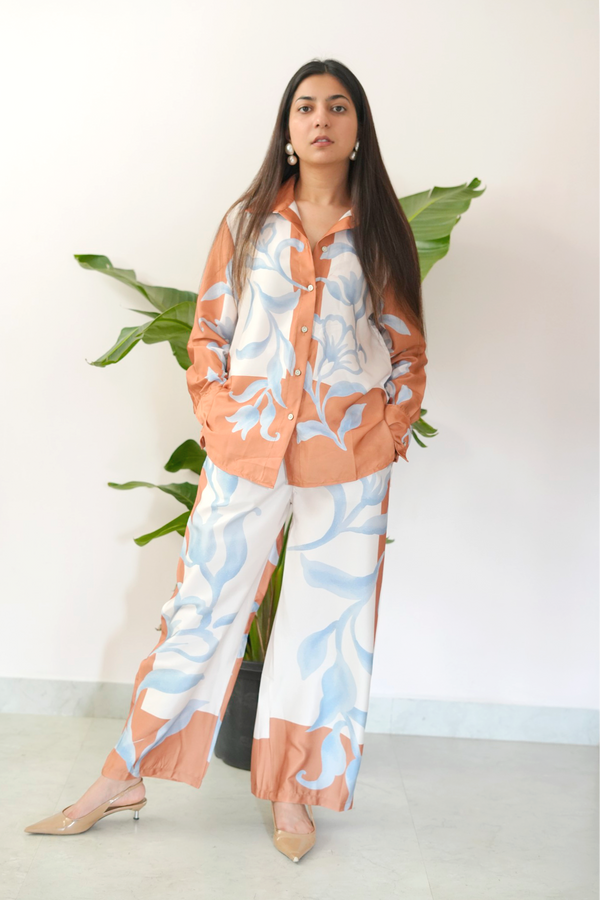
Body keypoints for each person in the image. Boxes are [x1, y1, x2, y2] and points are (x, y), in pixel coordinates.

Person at [24, 58, 428, 863]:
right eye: (306, 106)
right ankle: (124, 772)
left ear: (357, 129)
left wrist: (385, 430)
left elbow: (407, 350)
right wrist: (214, 411)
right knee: (201, 608)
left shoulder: (381, 231)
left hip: (347, 463)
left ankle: (293, 791)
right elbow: (209, 332)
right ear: (286, 129)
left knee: (323, 629)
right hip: (247, 450)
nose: (321, 119)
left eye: (338, 107)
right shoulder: (247, 224)